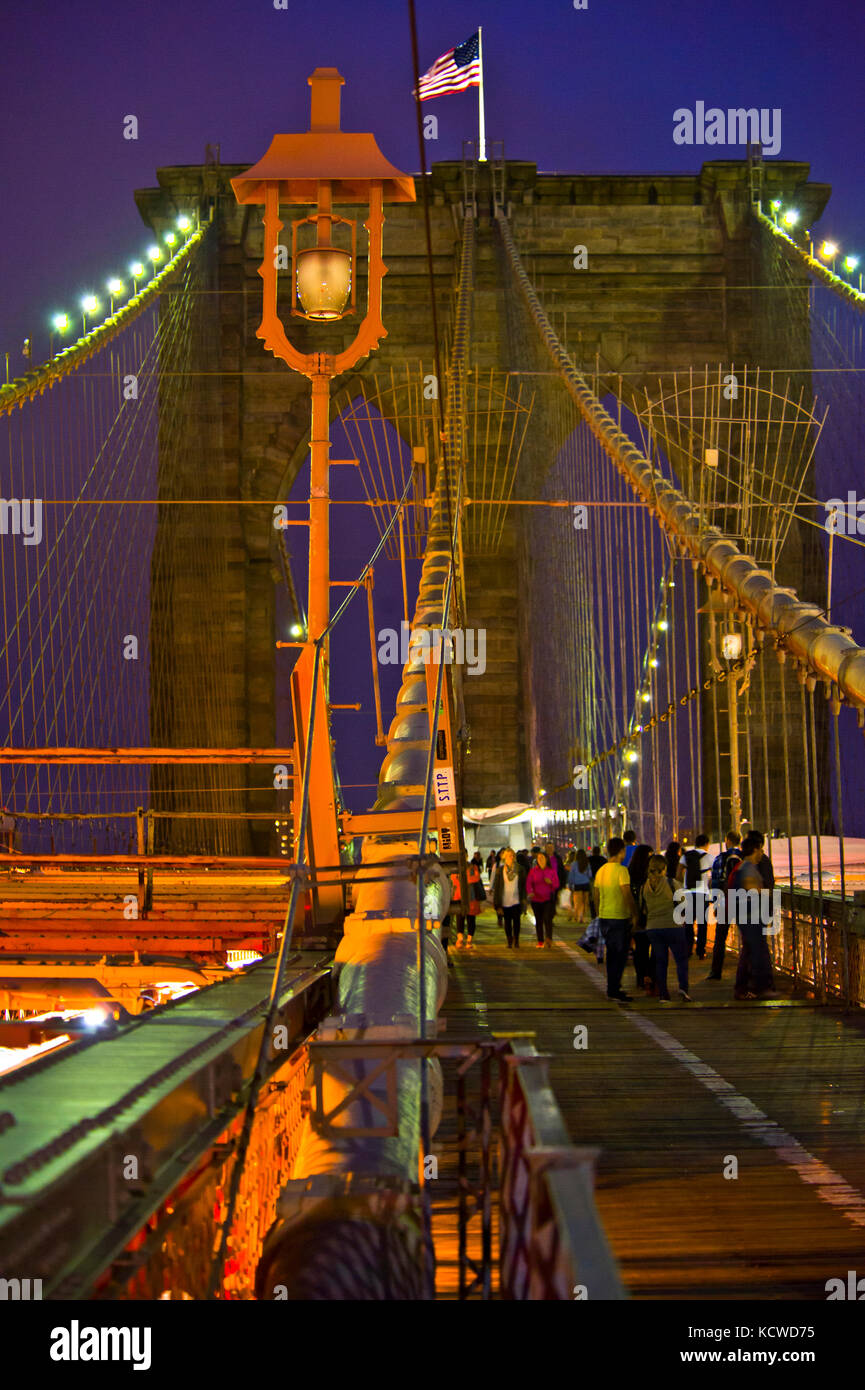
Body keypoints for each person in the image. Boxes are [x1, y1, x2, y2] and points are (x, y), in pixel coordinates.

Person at [640, 853, 692, 1002]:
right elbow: (684, 903)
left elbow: (644, 909)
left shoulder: (645, 887)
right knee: (681, 959)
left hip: (653, 928)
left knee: (661, 961)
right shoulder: (672, 883)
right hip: (673, 925)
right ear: (664, 869)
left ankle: (663, 993)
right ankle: (683, 988)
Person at [592, 837, 639, 1001]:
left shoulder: (601, 871)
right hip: (619, 917)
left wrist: (599, 913)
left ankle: (612, 987)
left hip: (605, 917)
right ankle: (614, 989)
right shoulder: (621, 871)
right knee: (620, 955)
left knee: (611, 954)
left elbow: (596, 895)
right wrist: (634, 914)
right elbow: (627, 894)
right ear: (621, 851)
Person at [732, 833, 777, 999]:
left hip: (750, 916)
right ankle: (759, 987)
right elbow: (753, 891)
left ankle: (743, 988)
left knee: (750, 951)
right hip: (751, 917)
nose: (761, 854)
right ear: (755, 850)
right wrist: (767, 893)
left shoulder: (745, 867)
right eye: (760, 850)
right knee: (757, 951)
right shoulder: (747, 868)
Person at [706, 831, 742, 980]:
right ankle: (748, 971)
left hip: (724, 902)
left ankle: (716, 971)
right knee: (747, 937)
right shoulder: (744, 858)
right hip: (742, 901)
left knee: (720, 938)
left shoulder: (720, 859)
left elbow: (714, 882)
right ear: (739, 841)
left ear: (727, 841)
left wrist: (715, 903)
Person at [627, 843, 654, 992]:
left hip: (636, 915)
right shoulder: (650, 876)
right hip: (649, 915)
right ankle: (649, 976)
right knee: (652, 947)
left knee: (640, 948)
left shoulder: (630, 873)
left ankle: (640, 978)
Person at [682, 833, 713, 958]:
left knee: (688, 922)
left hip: (688, 891)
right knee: (702, 923)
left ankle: (688, 948)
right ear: (706, 844)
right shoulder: (709, 857)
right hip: (702, 892)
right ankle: (701, 950)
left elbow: (680, 872)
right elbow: (714, 875)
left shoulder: (686, 856)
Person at [492, 847, 527, 947]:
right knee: (507, 922)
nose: (510, 858)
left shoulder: (520, 869)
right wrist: (497, 904)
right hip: (505, 900)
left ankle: (516, 939)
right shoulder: (500, 870)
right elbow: (497, 887)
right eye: (508, 856)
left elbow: (523, 885)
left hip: (516, 899)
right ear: (504, 857)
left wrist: (524, 898)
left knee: (517, 921)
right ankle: (509, 939)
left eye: (512, 855)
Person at [526, 850, 559, 948]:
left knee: (547, 918)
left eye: (542, 858)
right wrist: (530, 892)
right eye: (538, 858)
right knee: (538, 920)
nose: (540, 860)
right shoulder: (533, 871)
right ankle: (540, 940)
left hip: (548, 899)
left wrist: (550, 883)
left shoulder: (551, 871)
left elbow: (556, 884)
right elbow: (528, 883)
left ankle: (549, 938)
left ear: (546, 859)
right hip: (536, 900)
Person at [568, 848, 593, 924]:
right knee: (585, 902)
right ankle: (583, 917)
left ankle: (578, 916)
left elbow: (571, 875)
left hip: (577, 884)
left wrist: (570, 884)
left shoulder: (573, 864)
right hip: (586, 884)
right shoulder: (587, 863)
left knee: (578, 902)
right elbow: (590, 874)